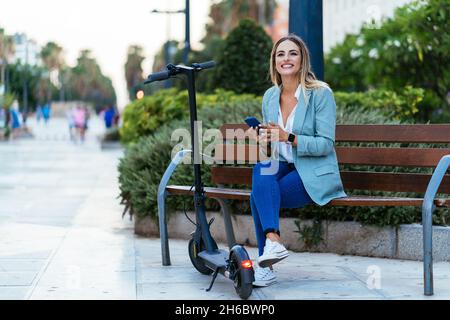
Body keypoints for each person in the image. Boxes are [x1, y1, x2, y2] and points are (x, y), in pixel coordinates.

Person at [248, 34, 347, 287]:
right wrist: (265, 139)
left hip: (312, 172)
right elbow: (273, 148)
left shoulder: (320, 94)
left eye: (292, 53)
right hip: (281, 166)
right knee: (262, 168)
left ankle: (268, 260)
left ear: (302, 59)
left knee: (258, 196)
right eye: (280, 54)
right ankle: (274, 242)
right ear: (274, 62)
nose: (286, 58)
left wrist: (287, 136)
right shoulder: (270, 96)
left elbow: (325, 144)